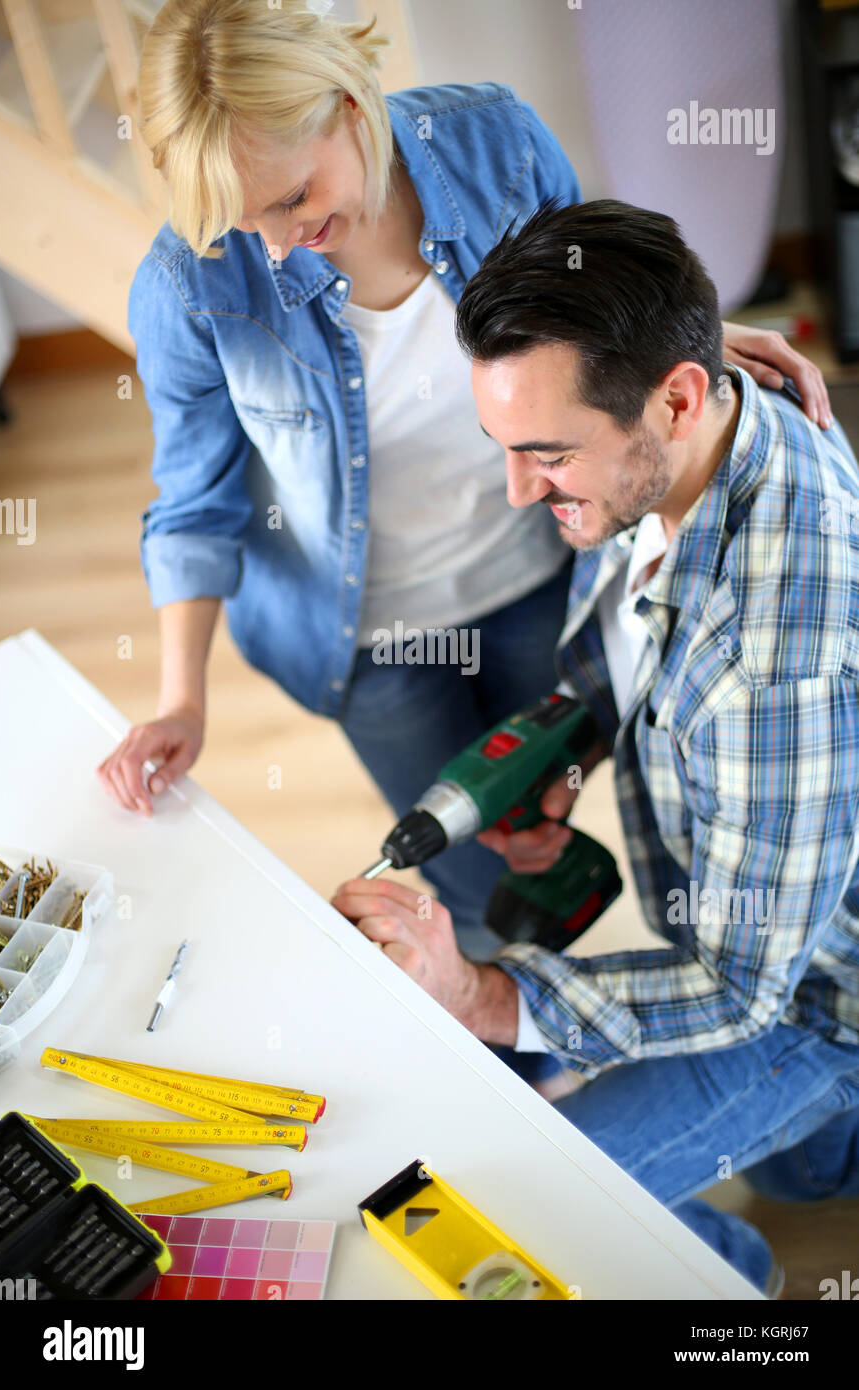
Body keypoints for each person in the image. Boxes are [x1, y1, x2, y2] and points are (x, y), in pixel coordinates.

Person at [98, 0, 831, 942]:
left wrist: (697, 344)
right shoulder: (188, 280)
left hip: (538, 572)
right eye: (243, 222)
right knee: (474, 891)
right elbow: (195, 503)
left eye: (290, 199)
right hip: (369, 639)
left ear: (348, 108)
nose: (274, 245)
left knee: (547, 812)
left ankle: (556, 1016)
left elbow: (595, 316)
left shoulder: (494, 148)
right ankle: (520, 1047)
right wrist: (182, 704)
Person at [331, 198, 859, 1297]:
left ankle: (735, 1287)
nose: (520, 491)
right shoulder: (717, 403)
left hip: (812, 995)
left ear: (670, 399)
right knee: (805, 1177)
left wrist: (481, 994)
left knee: (531, 1211)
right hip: (758, 895)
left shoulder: (771, 657)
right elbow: (634, 633)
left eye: (545, 455)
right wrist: (568, 756)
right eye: (503, 447)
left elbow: (740, 985)